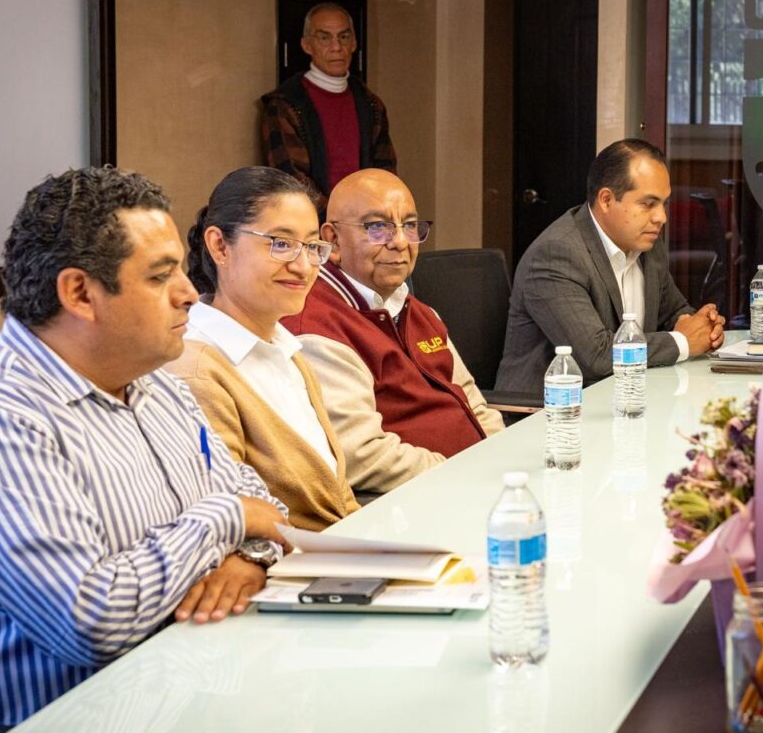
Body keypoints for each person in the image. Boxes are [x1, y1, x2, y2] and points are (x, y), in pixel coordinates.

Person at [0, 167, 291, 726]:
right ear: (79, 294)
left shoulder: (157, 386)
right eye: (160, 276)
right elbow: (91, 622)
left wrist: (250, 557)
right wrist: (227, 519)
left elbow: (269, 511)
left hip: (174, 696)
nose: (190, 293)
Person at [282, 168, 504, 498]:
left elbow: (474, 404)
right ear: (333, 241)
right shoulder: (316, 328)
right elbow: (363, 455)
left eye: (409, 226)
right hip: (421, 500)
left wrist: (505, 460)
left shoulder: (419, 311)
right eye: (377, 227)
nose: (400, 242)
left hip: (481, 483)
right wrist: (465, 474)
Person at [165, 166, 359, 530]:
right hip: (285, 561)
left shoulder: (288, 351)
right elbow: (226, 522)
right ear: (220, 246)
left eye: (312, 247)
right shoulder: (195, 371)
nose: (303, 267)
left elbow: (339, 498)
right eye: (281, 244)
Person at [495, 138, 726, 401]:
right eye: (648, 204)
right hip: (551, 412)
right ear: (606, 200)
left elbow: (673, 311)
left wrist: (701, 326)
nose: (661, 217)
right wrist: (683, 341)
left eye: (664, 204)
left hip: (627, 401)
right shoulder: (555, 254)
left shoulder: (647, 245)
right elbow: (596, 356)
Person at [261, 2, 396, 218]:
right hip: (310, 225)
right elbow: (291, 180)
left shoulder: (371, 105)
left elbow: (385, 171)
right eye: (324, 38)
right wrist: (338, 217)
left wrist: (371, 216)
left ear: (354, 43)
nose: (336, 47)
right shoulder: (285, 105)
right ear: (307, 45)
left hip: (366, 222)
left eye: (344, 37)